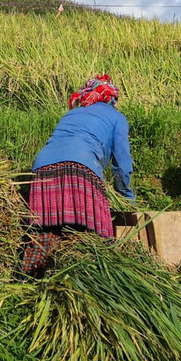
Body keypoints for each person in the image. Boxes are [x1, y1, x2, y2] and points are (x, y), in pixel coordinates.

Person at [23, 75, 134, 276]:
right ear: (112, 98)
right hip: (80, 170)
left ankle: (29, 280)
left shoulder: (72, 113)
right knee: (92, 241)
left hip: (43, 171)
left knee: (44, 235)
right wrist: (126, 198)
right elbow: (122, 165)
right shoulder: (116, 117)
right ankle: (87, 281)